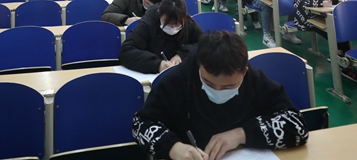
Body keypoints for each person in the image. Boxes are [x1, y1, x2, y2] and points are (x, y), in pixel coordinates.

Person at [132, 31, 308, 160]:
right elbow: (141, 124)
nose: (217, 90)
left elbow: (296, 126)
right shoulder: (177, 80)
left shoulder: (255, 81)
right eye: (208, 83)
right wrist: (172, 147)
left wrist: (242, 134)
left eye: (229, 86)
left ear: (244, 72)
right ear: (200, 66)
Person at [293, 0, 357, 84]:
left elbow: (339, 0)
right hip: (308, 18)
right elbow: (297, 2)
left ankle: (340, 57)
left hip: (327, 17)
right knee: (336, 33)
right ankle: (343, 62)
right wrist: (320, 3)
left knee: (344, 30)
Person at [120, 0, 205, 74]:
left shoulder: (188, 23)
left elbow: (205, 45)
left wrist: (182, 55)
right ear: (159, 13)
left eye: (177, 24)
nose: (172, 27)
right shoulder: (148, 23)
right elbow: (126, 51)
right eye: (167, 24)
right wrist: (157, 64)